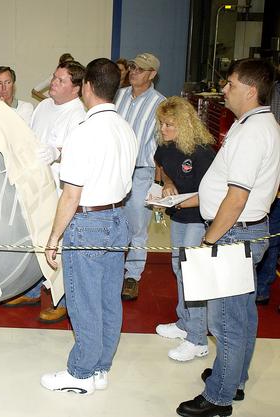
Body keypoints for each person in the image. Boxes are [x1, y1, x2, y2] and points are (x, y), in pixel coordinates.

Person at [177, 59, 280, 417]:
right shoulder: (255, 124)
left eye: (230, 84)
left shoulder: (253, 131)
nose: (223, 90)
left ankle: (219, 397)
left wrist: (209, 241)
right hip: (245, 233)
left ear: (251, 90)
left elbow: (236, 198)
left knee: (225, 322)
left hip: (233, 235)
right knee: (242, 316)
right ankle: (233, 376)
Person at [40, 58, 137, 395]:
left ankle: (80, 372)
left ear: (87, 88)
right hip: (117, 219)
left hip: (88, 222)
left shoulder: (84, 132)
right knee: (110, 300)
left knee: (83, 302)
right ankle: (100, 368)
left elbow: (71, 194)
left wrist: (54, 237)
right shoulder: (125, 129)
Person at [5, 61, 87, 324]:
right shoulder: (43, 107)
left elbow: (80, 153)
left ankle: (61, 300)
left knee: (58, 246)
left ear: (76, 89)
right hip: (34, 187)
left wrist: (57, 152)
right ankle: (30, 291)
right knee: (34, 242)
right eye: (54, 77)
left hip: (59, 191)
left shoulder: (78, 115)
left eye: (61, 81)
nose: (53, 83)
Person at [151, 97, 215, 362]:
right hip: (178, 215)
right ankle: (184, 322)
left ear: (185, 124)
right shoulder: (166, 147)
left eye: (170, 125)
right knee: (179, 268)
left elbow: (214, 194)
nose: (164, 129)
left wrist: (177, 200)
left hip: (198, 218)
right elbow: (160, 166)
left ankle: (198, 339)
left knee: (193, 274)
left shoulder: (203, 152)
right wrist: (167, 184)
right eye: (162, 124)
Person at [114, 52, 166, 300]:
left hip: (141, 172)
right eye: (133, 67)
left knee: (137, 226)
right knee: (114, 221)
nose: (134, 72)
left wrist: (159, 181)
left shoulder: (160, 104)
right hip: (114, 170)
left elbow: (164, 144)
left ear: (152, 74)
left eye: (141, 69)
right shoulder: (119, 96)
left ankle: (132, 275)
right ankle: (113, 270)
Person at [255, 70, 280, 308]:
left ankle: (261, 287)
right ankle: (261, 288)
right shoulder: (274, 91)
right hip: (274, 183)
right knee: (271, 237)